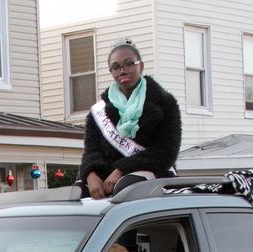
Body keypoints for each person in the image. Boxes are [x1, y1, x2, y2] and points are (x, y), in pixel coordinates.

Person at [77, 38, 182, 199]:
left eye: (129, 64)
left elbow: (165, 153)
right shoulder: (99, 111)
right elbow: (91, 152)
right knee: (77, 192)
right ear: (111, 72)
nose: (122, 70)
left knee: (126, 188)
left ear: (141, 66)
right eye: (115, 67)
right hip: (109, 173)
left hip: (153, 171)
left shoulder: (165, 103)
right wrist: (90, 175)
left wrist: (122, 169)